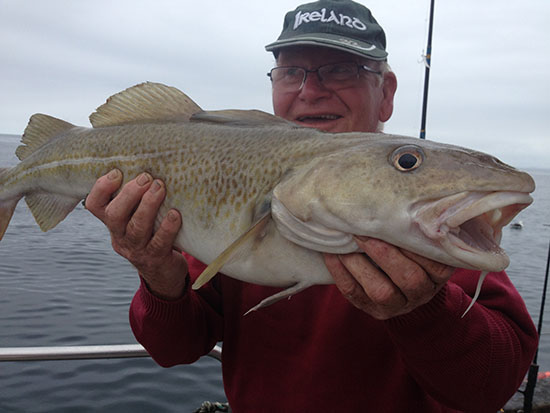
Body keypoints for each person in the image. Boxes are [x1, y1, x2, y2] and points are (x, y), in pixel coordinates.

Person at [85, 1, 538, 411]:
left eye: (340, 69)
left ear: (386, 93)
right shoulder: (238, 185)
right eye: (290, 72)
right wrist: (159, 275)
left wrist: (423, 309)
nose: (310, 90)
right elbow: (175, 349)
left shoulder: (429, 219)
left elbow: (490, 388)